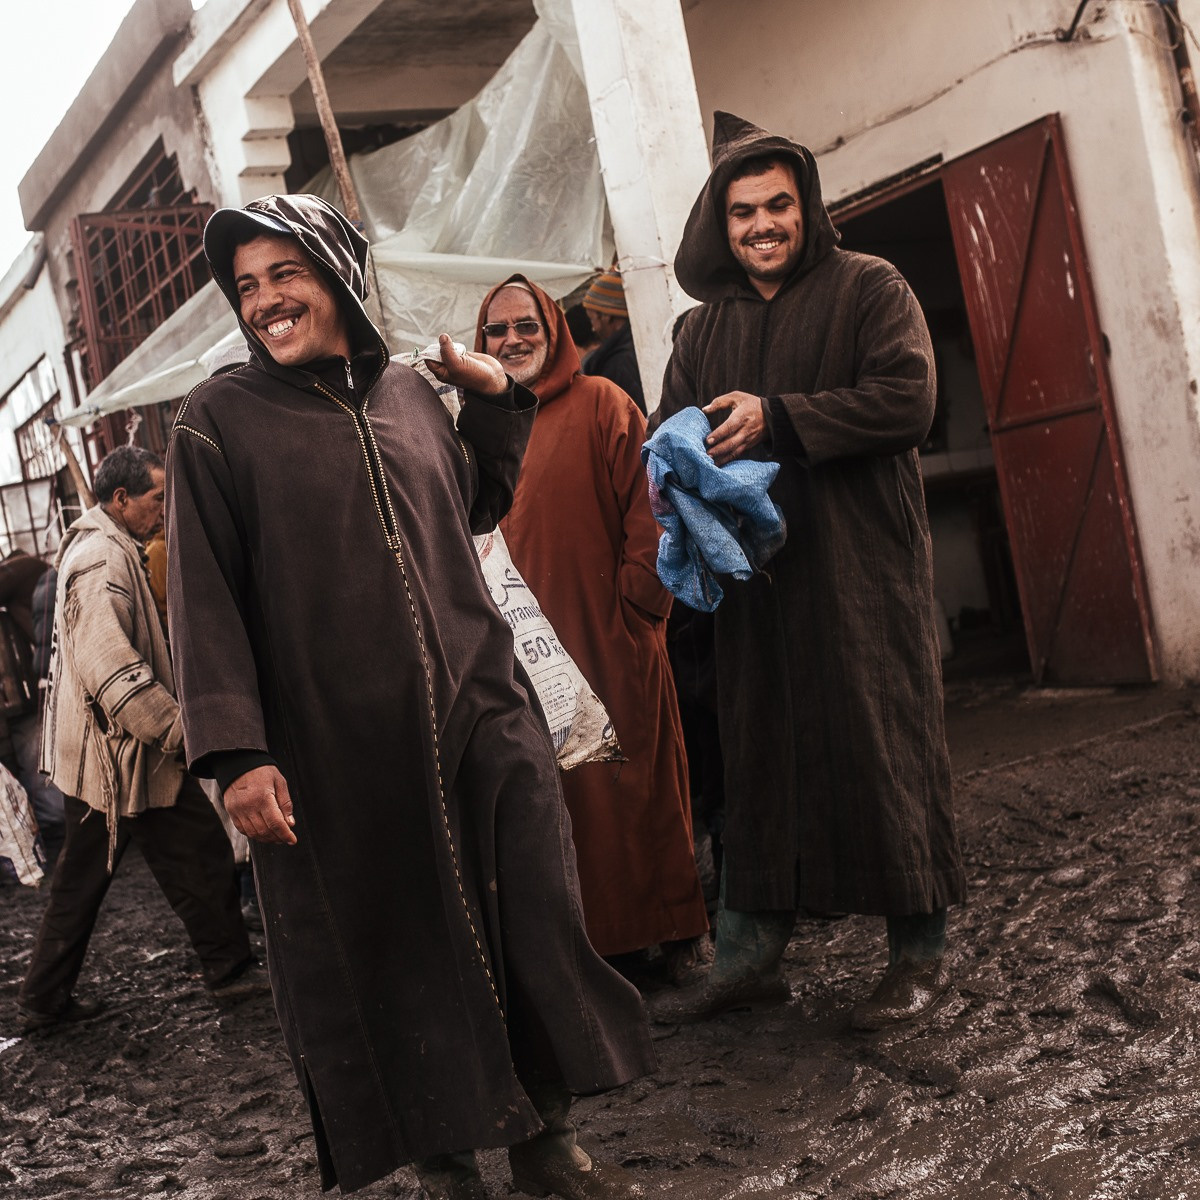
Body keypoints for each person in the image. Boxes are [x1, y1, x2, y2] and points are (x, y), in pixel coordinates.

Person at [166, 194, 654, 1200]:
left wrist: (497, 402)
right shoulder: (217, 425)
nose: (265, 301)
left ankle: (547, 1142)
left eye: (284, 275)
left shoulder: (408, 394)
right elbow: (201, 600)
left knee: (532, 921)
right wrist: (236, 752)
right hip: (339, 752)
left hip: (482, 709)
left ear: (336, 271)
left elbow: (473, 502)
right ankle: (442, 1164)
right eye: (247, 286)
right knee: (395, 956)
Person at [651, 112, 966, 1032]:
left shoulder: (871, 286)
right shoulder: (700, 330)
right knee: (759, 760)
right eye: (743, 210)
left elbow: (910, 399)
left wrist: (779, 418)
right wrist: (669, 469)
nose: (762, 224)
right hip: (755, 590)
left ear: (807, 207)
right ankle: (748, 957)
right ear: (720, 224)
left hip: (859, 574)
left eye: (779, 204)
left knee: (882, 746)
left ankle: (919, 952)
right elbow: (673, 427)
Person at [475, 277, 710, 983]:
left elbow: (653, 513)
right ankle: (607, 949)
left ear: (553, 331)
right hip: (525, 655)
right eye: (496, 331)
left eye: (526, 325)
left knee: (637, 787)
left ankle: (673, 931)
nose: (512, 340)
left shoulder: (602, 403)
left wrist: (638, 612)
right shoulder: (477, 428)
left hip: (610, 640)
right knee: (566, 802)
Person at [17, 446, 260, 1031]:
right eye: (155, 499)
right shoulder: (101, 561)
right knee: (99, 879)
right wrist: (180, 731)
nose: (162, 510)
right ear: (120, 500)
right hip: (116, 759)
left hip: (118, 756)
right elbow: (110, 667)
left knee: (187, 853)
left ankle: (225, 969)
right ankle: (224, 971)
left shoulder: (110, 548)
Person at [580, 271, 645, 415]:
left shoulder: (619, 363)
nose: (593, 328)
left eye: (593, 320)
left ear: (607, 316)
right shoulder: (635, 349)